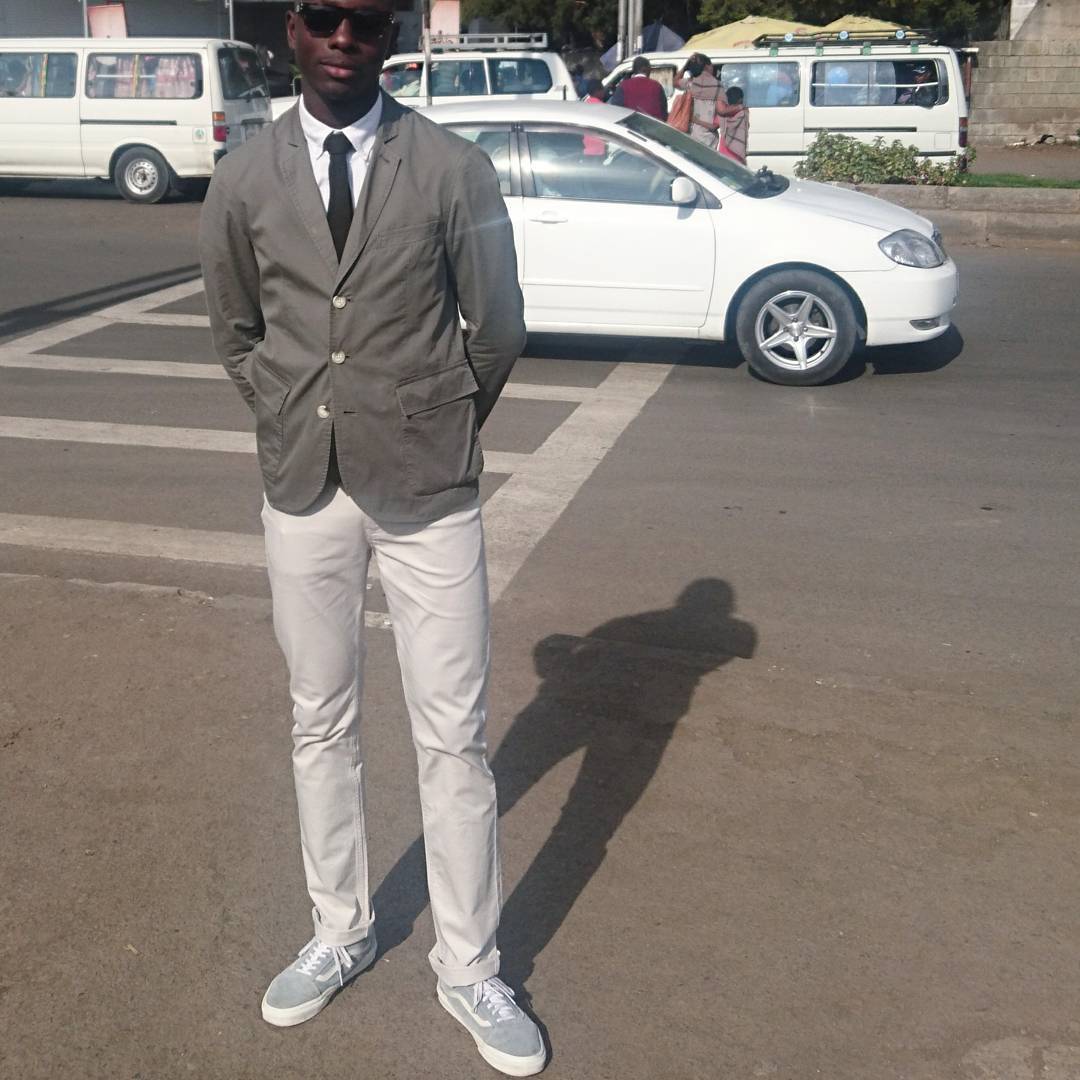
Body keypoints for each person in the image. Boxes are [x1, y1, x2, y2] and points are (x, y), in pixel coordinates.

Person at [198, 2, 545, 1076]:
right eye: (322, 16)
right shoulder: (243, 176)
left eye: (365, 18)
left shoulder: (453, 168)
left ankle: (471, 965)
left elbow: (498, 323)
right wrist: (288, 411)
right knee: (320, 720)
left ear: (389, 36)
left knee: (453, 734)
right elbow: (236, 328)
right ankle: (340, 929)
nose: (343, 34)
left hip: (429, 490)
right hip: (304, 486)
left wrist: (432, 421)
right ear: (289, 35)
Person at [677, 52, 722, 148]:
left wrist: (685, 67)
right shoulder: (717, 87)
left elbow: (675, 82)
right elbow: (716, 124)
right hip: (708, 139)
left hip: (692, 135)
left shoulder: (690, 84)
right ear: (707, 67)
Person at [610, 55, 668, 121]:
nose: (650, 70)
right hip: (653, 127)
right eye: (650, 68)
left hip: (629, 127)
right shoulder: (657, 86)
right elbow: (663, 112)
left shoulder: (623, 86)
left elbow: (616, 110)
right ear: (645, 68)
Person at [715, 85, 749, 165]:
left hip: (723, 151)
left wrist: (696, 120)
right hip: (737, 153)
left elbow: (713, 125)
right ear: (741, 99)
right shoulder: (743, 113)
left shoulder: (722, 114)